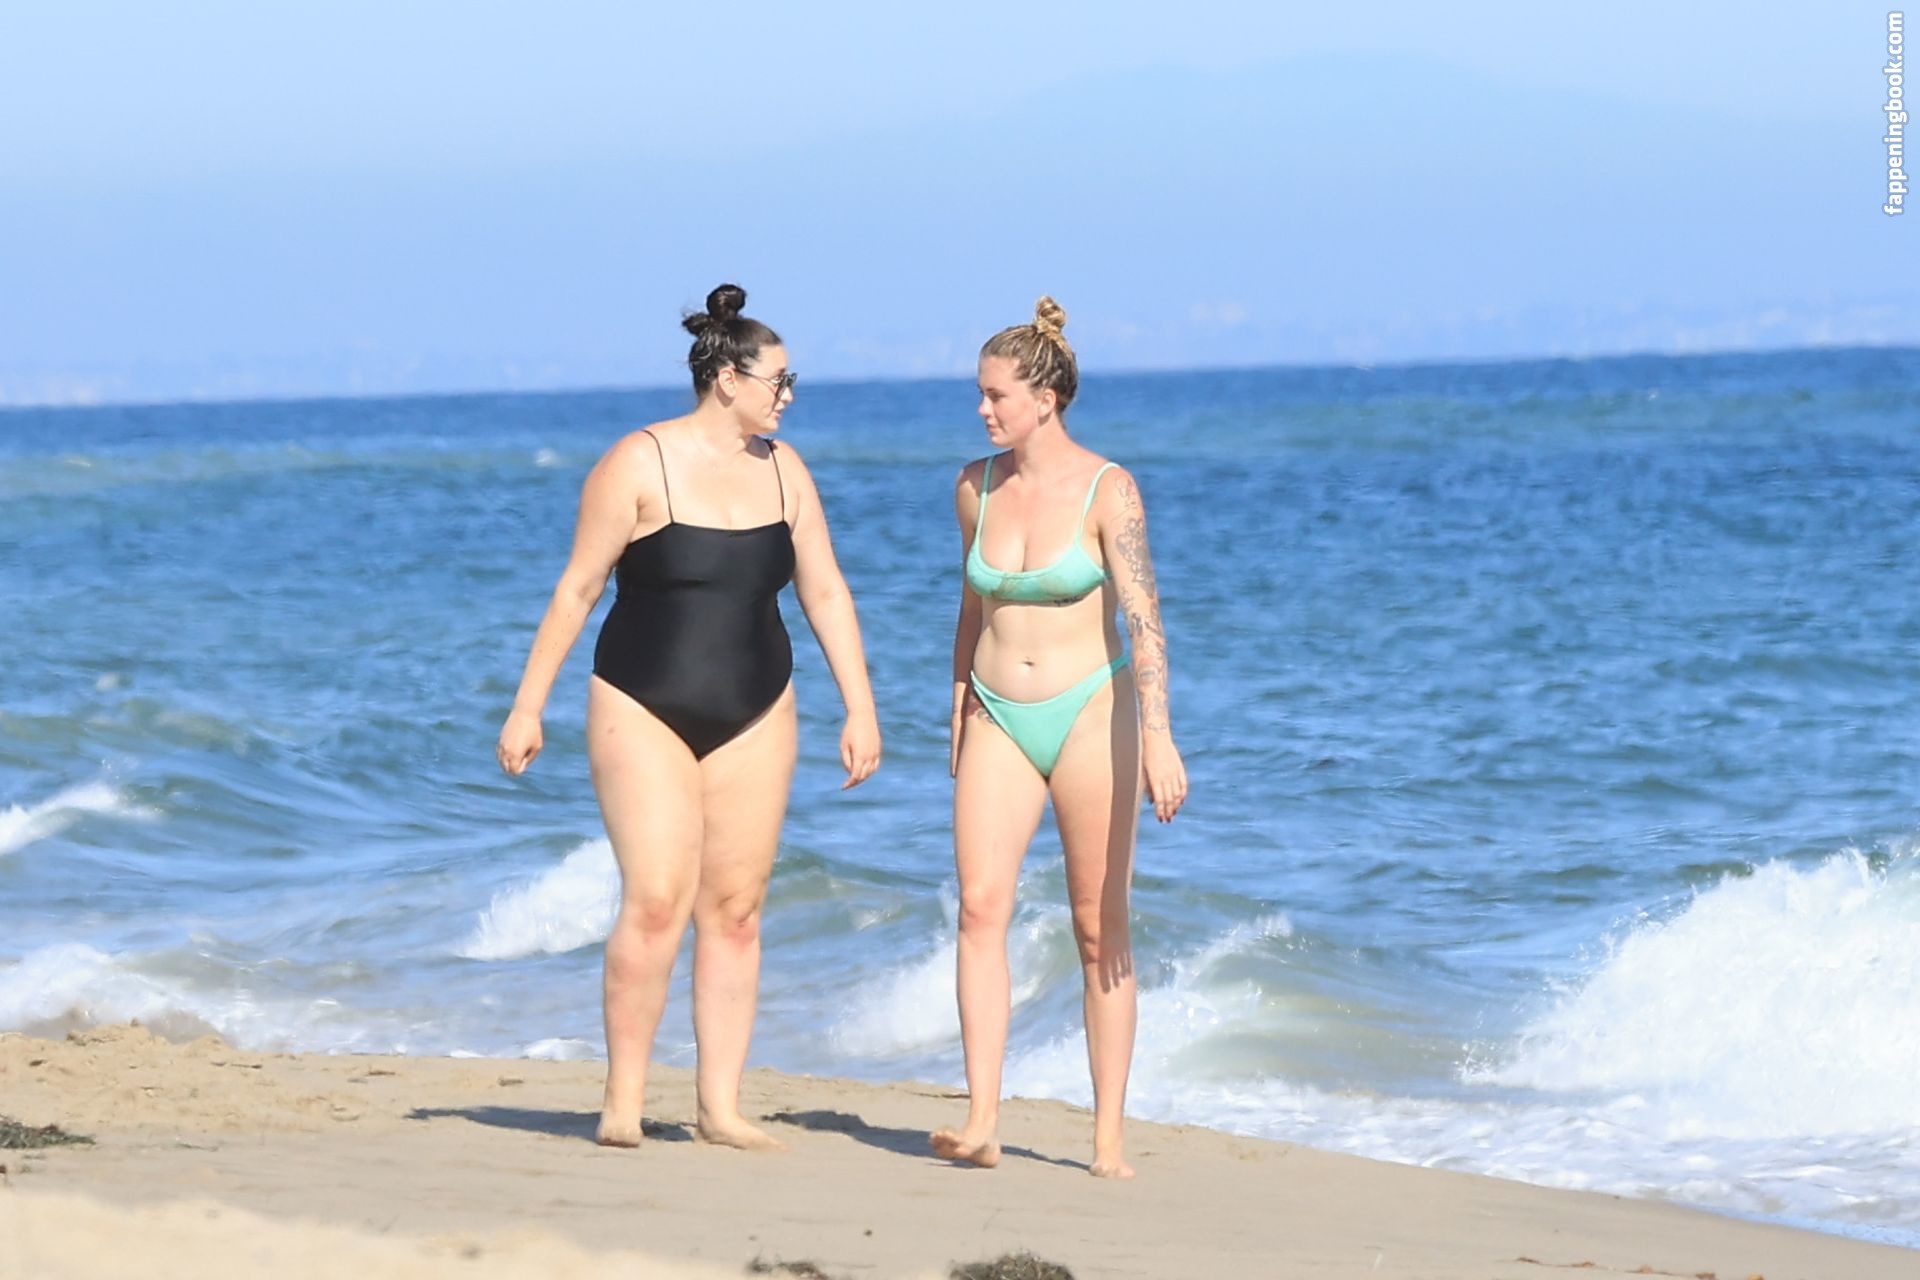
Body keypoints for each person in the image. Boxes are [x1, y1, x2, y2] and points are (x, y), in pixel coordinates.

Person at [496, 284, 881, 1151]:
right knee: (657, 900)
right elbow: (577, 589)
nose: (789, 395)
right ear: (728, 378)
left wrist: (860, 705)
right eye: (780, 380)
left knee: (736, 910)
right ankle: (623, 1102)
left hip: (758, 705)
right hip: (641, 701)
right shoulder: (638, 463)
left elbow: (824, 590)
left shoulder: (785, 470)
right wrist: (529, 706)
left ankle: (720, 1107)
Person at [931, 297, 1187, 1179]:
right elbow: (972, 607)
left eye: (995, 394)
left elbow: (1145, 621)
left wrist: (1159, 736)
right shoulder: (974, 486)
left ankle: (1107, 1140)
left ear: (1044, 399)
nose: (982, 409)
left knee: (1096, 925)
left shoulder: (1110, 489)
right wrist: (957, 699)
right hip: (995, 714)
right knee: (979, 909)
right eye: (979, 393)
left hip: (1091, 711)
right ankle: (982, 1121)